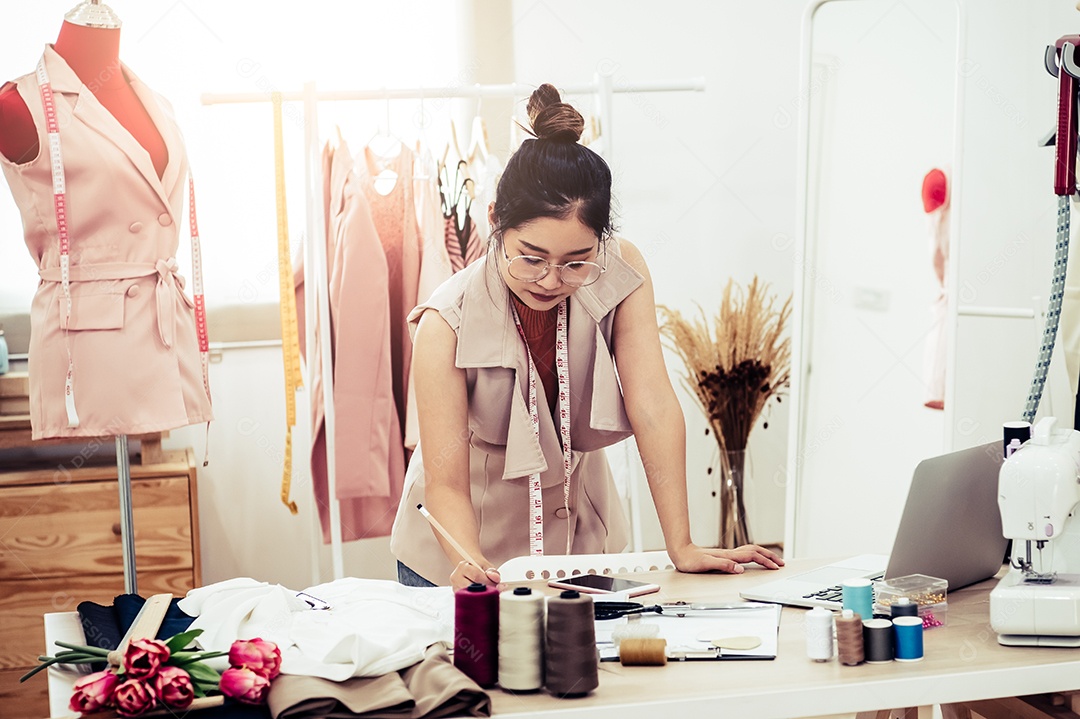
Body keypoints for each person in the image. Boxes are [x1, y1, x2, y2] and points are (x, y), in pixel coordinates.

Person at [389, 84, 783, 589]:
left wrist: (680, 543)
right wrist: (476, 574)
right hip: (461, 559)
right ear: (494, 222)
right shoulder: (445, 323)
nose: (552, 280)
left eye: (576, 261)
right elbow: (445, 485)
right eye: (531, 257)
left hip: (581, 545)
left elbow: (654, 403)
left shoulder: (619, 269)